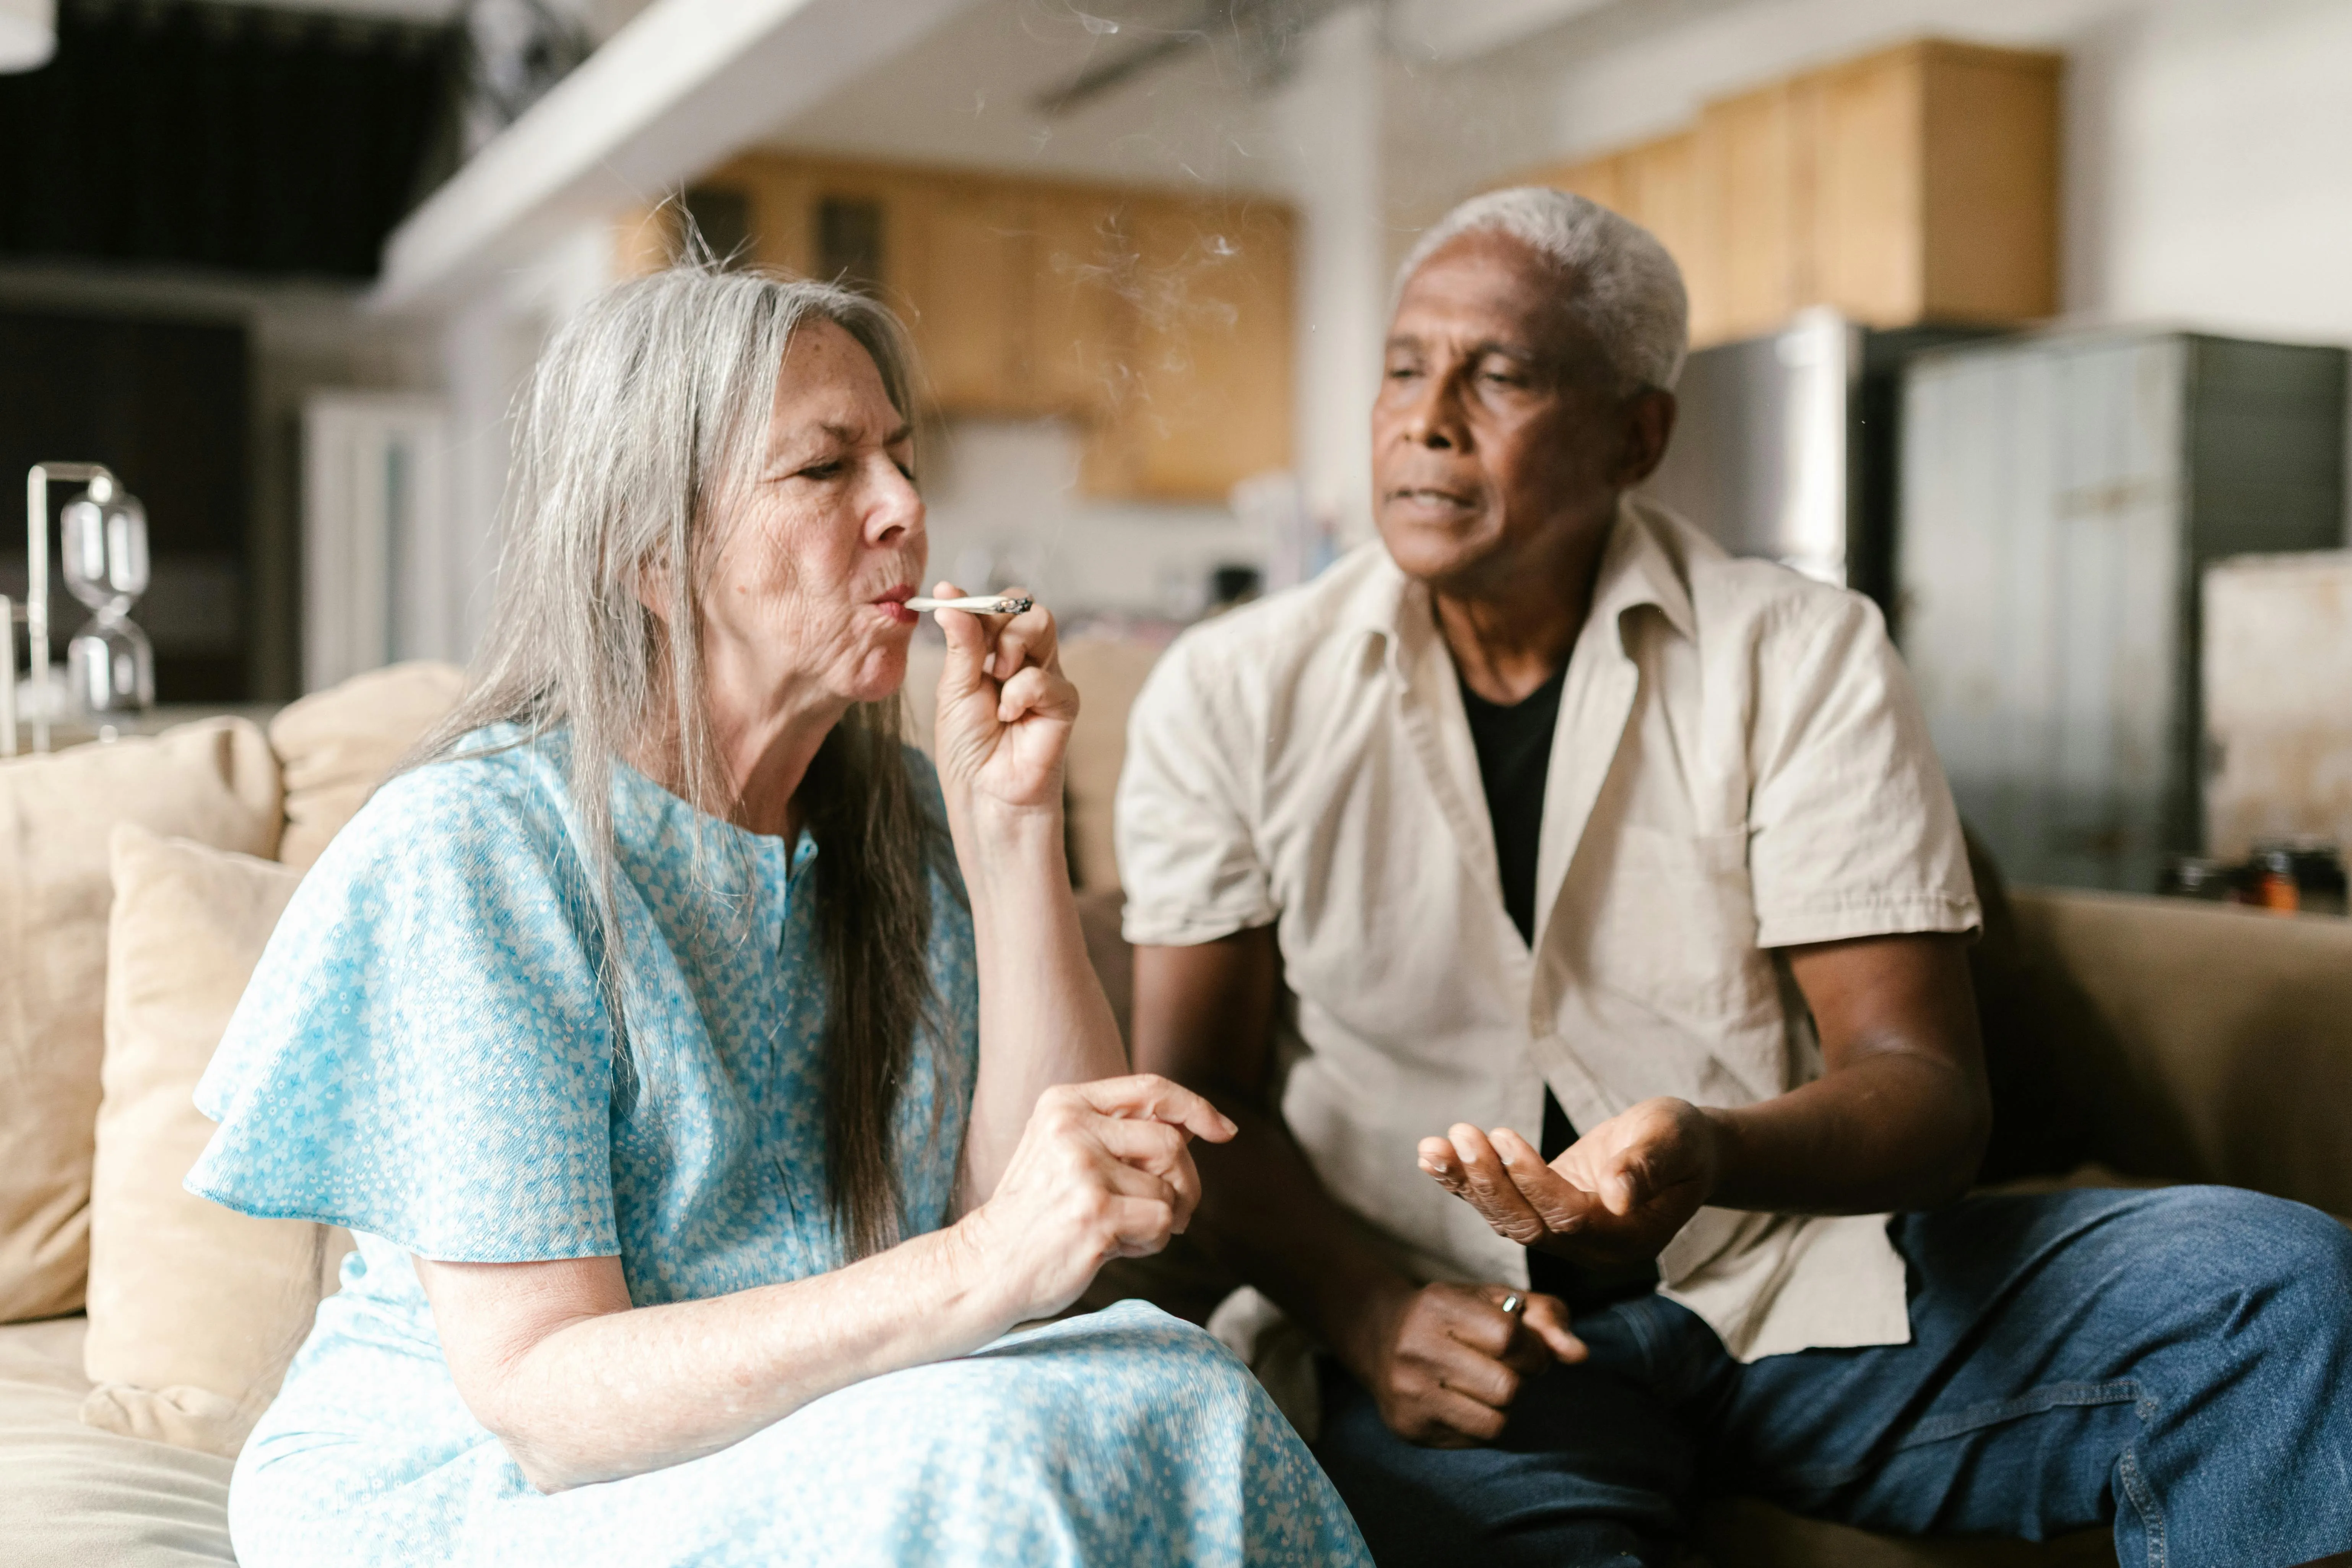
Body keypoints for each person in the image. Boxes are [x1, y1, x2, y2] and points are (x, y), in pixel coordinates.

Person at [1114, 187, 2352, 1568]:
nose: (1428, 417)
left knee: (2272, 1291)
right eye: (1406, 367)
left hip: (1792, 1290)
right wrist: (1360, 1309)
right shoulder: (1230, 691)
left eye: (1500, 374)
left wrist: (1710, 1150)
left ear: (1636, 432)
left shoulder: (1800, 653)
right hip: (1460, 1338)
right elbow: (1196, 1099)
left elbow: (1927, 1088)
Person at [185, 268, 1370, 1568]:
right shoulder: (476, 852)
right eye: (825, 472)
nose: (905, 511)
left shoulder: (898, 818)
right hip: (484, 1489)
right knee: (1006, 1460)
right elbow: (548, 1399)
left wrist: (1010, 832)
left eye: (901, 462)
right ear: (649, 551)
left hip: (804, 1425)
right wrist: (983, 1265)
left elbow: (1046, 1249)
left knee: (1178, 1386)